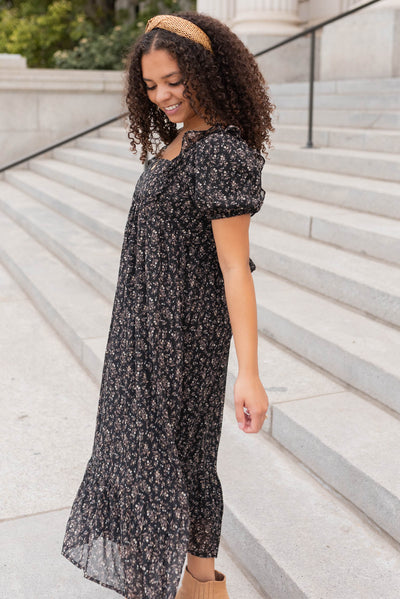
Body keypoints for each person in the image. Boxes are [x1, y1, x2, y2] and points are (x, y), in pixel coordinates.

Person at [61, 10, 274, 599]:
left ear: (204, 72)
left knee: (184, 457)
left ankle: (200, 585)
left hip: (186, 336)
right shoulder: (179, 142)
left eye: (175, 81)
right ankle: (183, 585)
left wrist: (250, 376)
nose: (163, 96)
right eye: (152, 86)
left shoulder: (222, 153)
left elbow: (236, 268)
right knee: (141, 456)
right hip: (140, 332)